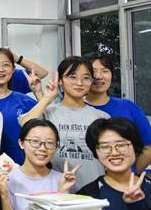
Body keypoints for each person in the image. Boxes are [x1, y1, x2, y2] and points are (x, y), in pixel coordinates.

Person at [22, 56, 110, 187]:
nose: (79, 83)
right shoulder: (48, 112)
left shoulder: (102, 117)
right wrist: (47, 98)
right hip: (55, 189)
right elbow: (25, 124)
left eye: (86, 78)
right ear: (60, 80)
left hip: (94, 190)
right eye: (72, 77)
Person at [85, 53, 151, 172]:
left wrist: (131, 173)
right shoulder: (75, 109)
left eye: (105, 71)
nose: (98, 76)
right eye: (93, 71)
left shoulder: (128, 107)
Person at [7, 119, 78, 210]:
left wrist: (63, 193)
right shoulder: (8, 179)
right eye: (35, 142)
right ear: (21, 143)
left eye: (49, 143)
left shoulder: (64, 181)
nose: (43, 148)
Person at [0, 48, 39, 165]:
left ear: (13, 69)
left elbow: (46, 123)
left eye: (6, 65)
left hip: (22, 167)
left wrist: (38, 92)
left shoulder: (25, 101)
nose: (1, 69)